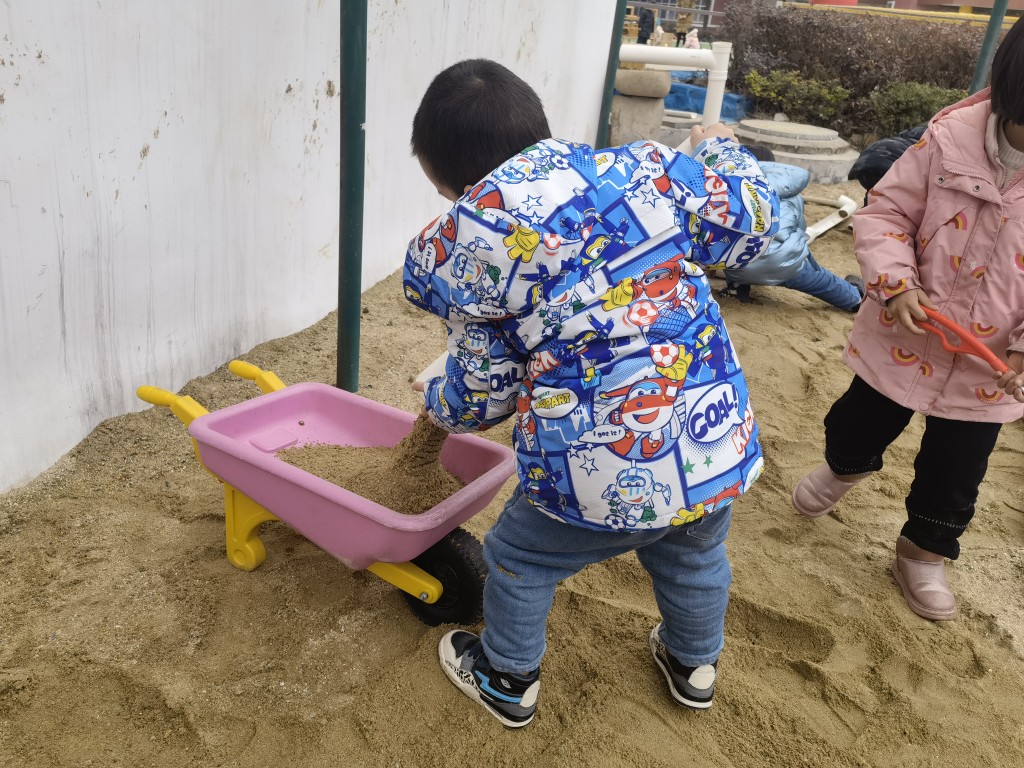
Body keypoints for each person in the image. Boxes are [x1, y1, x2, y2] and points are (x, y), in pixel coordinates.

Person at [404, 59, 779, 727]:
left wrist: (439, 400)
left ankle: (506, 677)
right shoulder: (644, 170)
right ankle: (694, 664)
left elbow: (484, 391)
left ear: (452, 183)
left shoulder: (474, 250)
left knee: (519, 556)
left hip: (593, 465)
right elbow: (754, 217)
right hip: (709, 442)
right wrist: (721, 147)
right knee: (694, 553)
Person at [791, 17, 1024, 623]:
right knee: (857, 424)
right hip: (905, 330)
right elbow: (888, 211)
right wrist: (895, 282)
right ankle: (844, 468)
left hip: (987, 367)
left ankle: (923, 551)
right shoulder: (951, 137)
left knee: (956, 472)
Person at [722, 149, 865, 312]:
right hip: (785, 265)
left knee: (739, 240)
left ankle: (737, 288)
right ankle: (855, 298)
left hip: (738, 267)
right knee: (821, 279)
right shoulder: (791, 193)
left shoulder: (730, 189)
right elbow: (800, 227)